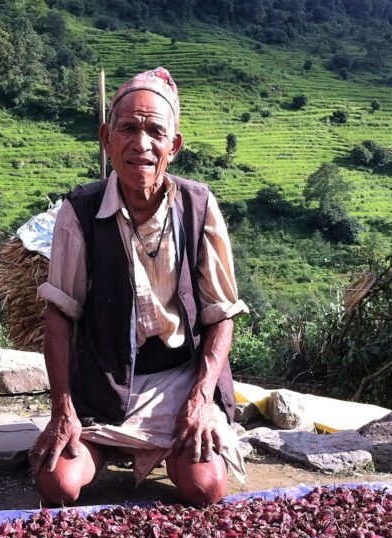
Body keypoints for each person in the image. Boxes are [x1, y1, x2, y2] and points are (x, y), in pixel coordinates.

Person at [30, 67, 248, 507]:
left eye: (155, 132)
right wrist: (62, 409)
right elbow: (60, 315)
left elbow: (220, 315)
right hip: (105, 382)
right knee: (59, 483)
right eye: (128, 129)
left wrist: (201, 399)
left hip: (181, 379)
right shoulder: (80, 210)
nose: (141, 144)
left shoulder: (198, 205)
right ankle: (107, 442)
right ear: (107, 138)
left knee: (205, 487)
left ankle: (175, 438)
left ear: (175, 145)